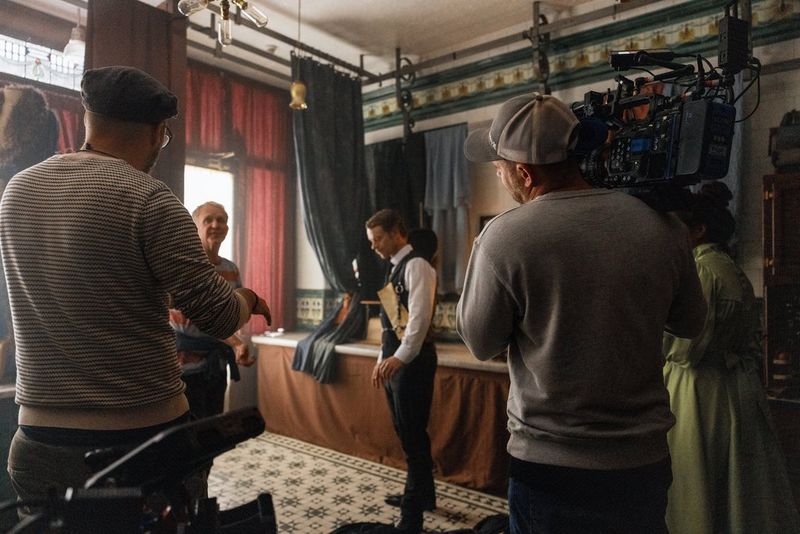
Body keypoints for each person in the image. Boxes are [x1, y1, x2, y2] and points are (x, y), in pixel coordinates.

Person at [0, 66, 271, 513]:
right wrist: (249, 299)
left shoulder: (16, 192)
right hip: (140, 442)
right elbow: (218, 315)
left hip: (38, 441)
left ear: (89, 120)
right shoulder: (149, 199)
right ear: (155, 131)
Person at [456, 92, 707, 534]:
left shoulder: (503, 237)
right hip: (641, 462)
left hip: (551, 467)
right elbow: (690, 323)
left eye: (498, 168)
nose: (499, 174)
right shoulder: (663, 226)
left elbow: (480, 342)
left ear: (524, 173)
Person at [663, 183, 800, 534]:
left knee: (698, 483)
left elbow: (686, 347)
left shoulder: (703, 272)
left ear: (698, 230)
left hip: (700, 390)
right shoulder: (730, 268)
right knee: (732, 485)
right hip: (732, 388)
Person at [366, 209, 437, 534]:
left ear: (398, 232)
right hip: (397, 363)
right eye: (372, 241)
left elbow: (418, 322)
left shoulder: (418, 265)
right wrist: (383, 360)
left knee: (412, 434)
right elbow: (393, 326)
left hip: (413, 363)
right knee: (406, 432)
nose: (375, 246)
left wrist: (399, 358)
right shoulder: (394, 269)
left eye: (378, 239)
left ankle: (413, 513)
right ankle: (424, 496)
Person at [169, 201, 252, 419]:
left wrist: (237, 341)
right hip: (183, 368)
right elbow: (201, 315)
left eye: (221, 220)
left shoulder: (230, 269)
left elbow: (234, 314)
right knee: (188, 435)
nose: (216, 224)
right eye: (208, 220)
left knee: (212, 430)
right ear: (194, 226)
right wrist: (235, 342)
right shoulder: (184, 265)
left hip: (216, 365)